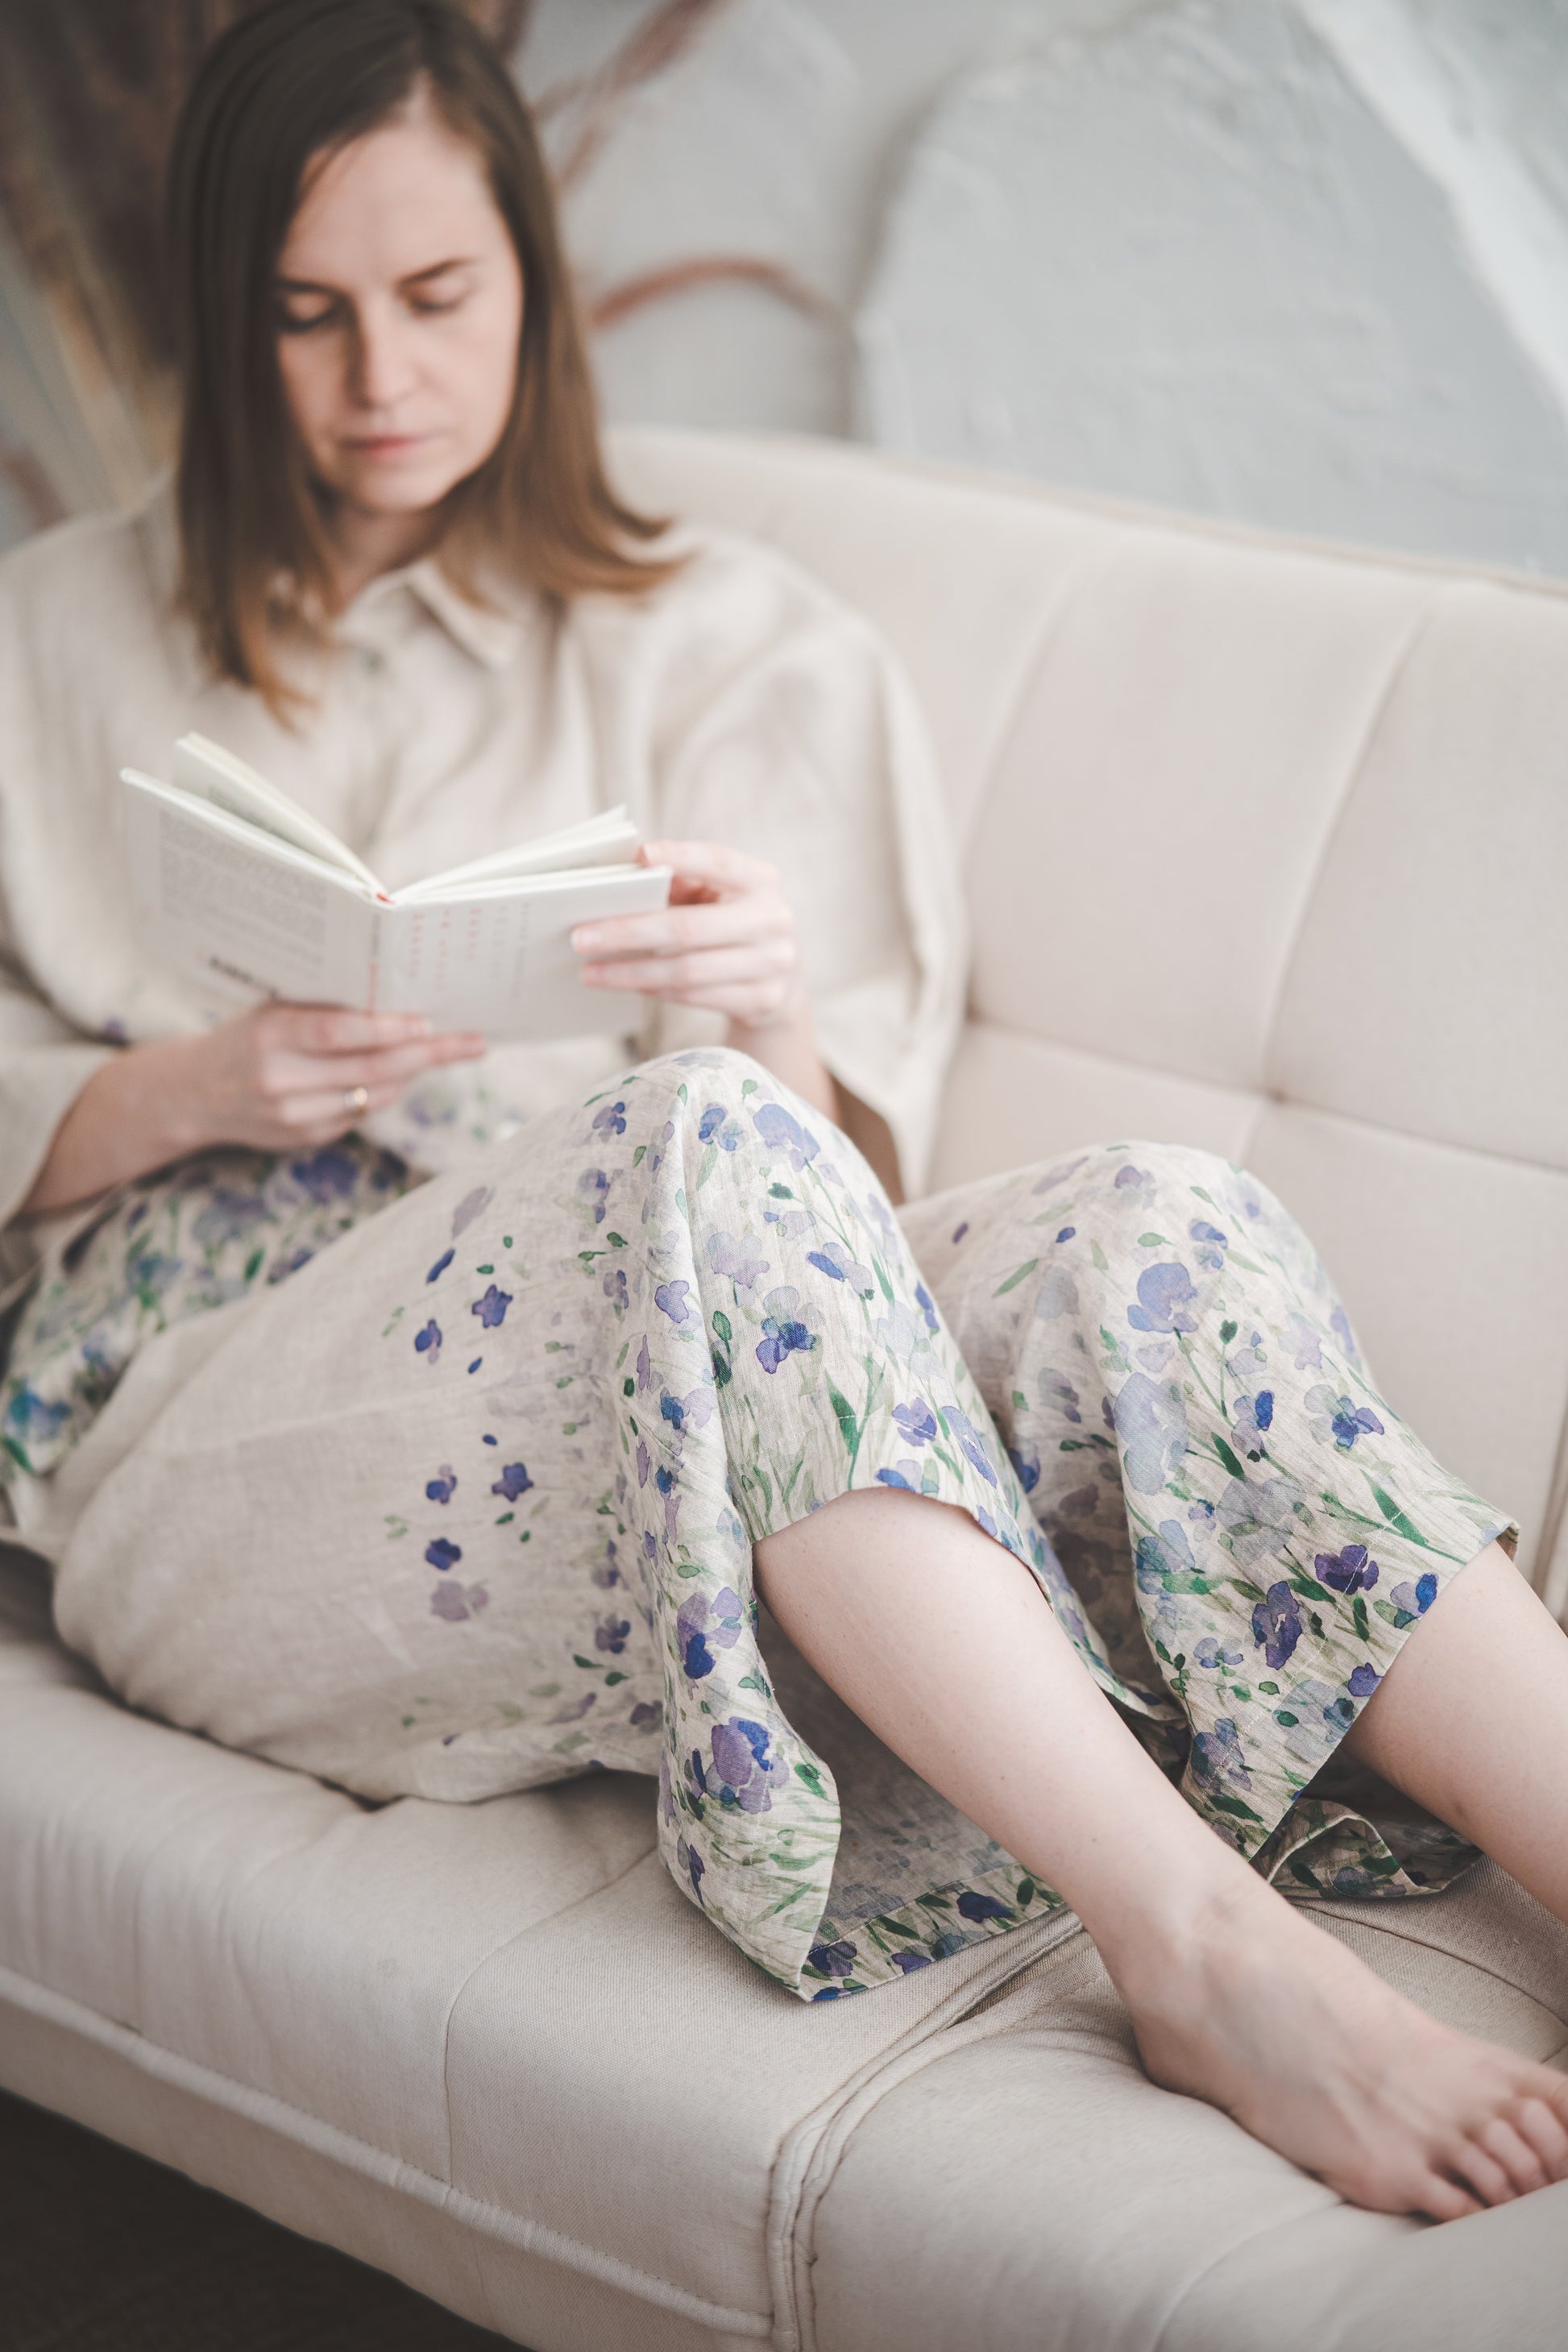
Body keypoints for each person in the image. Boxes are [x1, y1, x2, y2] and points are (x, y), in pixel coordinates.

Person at [2, 0, 1567, 2230]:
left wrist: (769, 1025)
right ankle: (1202, 1949)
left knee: (1149, 1221)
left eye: (437, 300)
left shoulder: (736, 652)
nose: (378, 385)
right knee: (696, 1153)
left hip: (648, 1386)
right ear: (217, 319)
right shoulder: (41, 641)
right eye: (303, 317)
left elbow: (840, 1239)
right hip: (228, 1431)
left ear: (530, 285)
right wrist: (170, 1090)